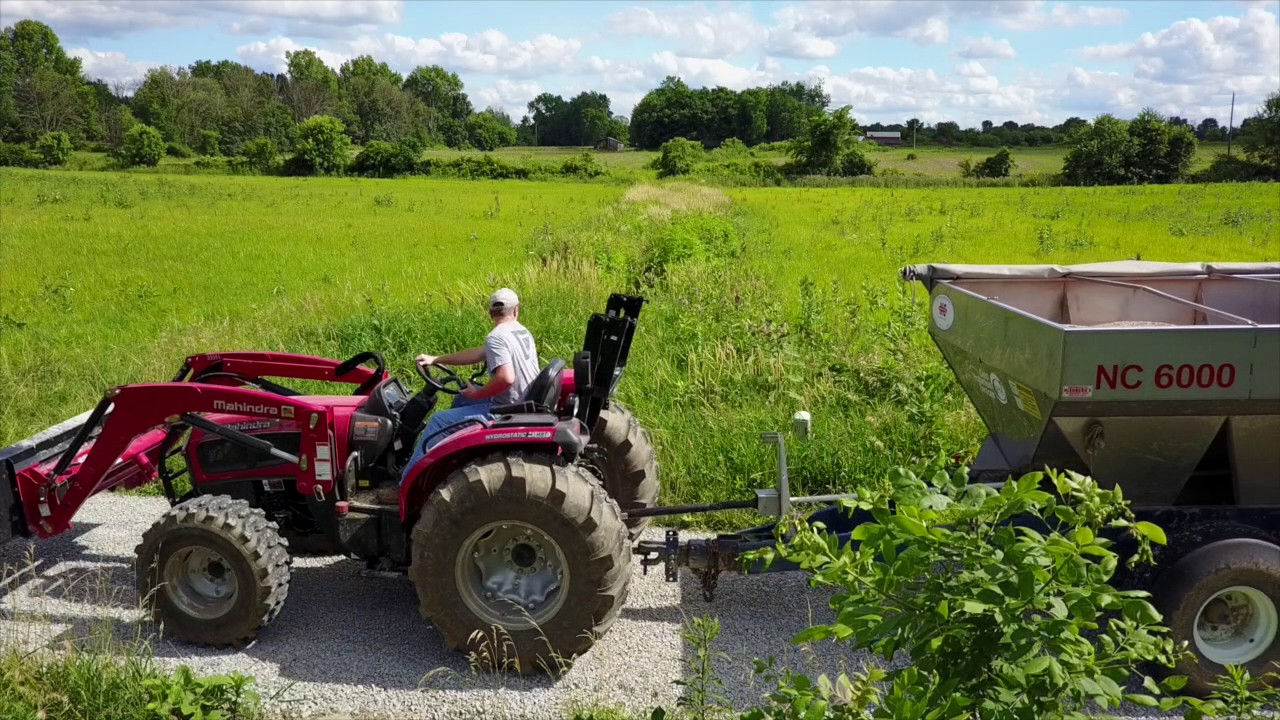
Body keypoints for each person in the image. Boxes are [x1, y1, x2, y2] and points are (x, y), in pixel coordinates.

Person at [376, 288, 539, 503]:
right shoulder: (521, 332)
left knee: (437, 421)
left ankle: (403, 487)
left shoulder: (496, 337)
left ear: (490, 313)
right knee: (461, 399)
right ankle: (448, 464)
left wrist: (479, 392)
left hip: (507, 410)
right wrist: (436, 359)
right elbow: (477, 354)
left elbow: (506, 378)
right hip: (524, 401)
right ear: (516, 311)